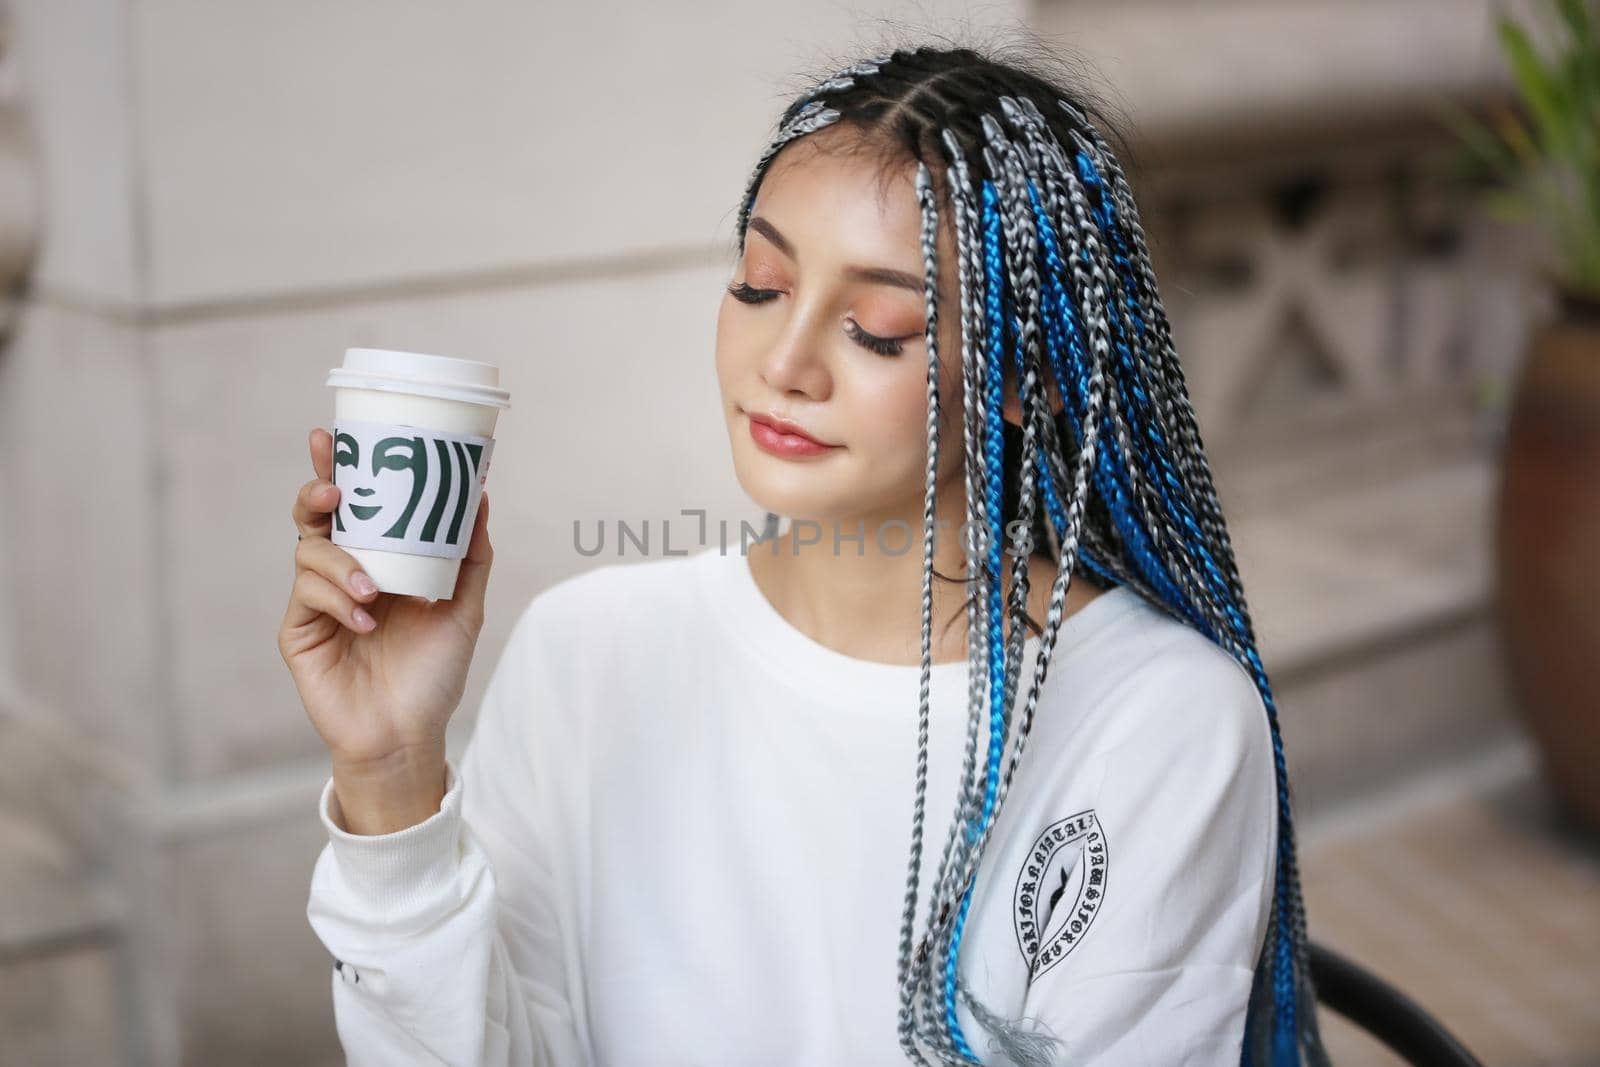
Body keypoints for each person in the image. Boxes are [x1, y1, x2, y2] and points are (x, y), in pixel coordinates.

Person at [279, 40, 1333, 1067]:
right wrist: (390, 771)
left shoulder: (1157, 719)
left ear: (1032, 379)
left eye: (877, 328)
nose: (783, 362)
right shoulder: (585, 652)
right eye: (759, 284)